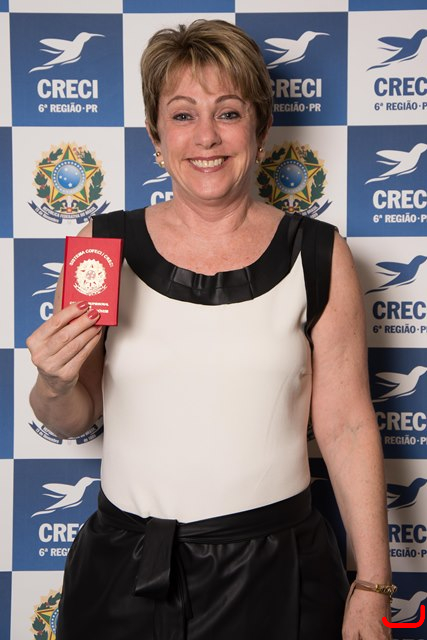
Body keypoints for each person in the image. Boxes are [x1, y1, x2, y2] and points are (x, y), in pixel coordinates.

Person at [26, 19, 394, 640]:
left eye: (228, 113)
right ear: (155, 134)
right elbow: (70, 416)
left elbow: (349, 425)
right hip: (124, 570)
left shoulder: (318, 252)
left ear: (260, 127)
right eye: (182, 115)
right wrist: (53, 385)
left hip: (278, 571)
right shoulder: (102, 246)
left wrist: (373, 584)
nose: (206, 137)